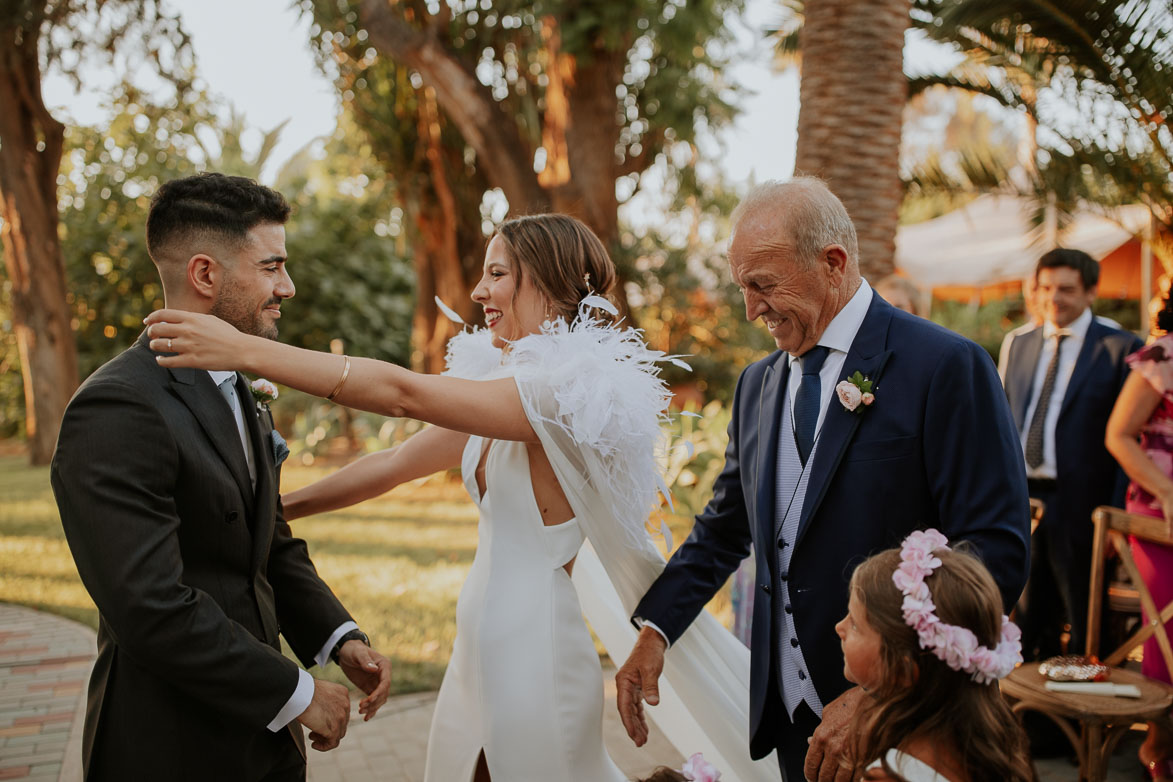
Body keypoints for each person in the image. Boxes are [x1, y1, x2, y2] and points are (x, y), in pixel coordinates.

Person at [144, 213, 780, 782]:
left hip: (536, 646)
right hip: (478, 637)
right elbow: (393, 463)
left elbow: (402, 394)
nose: (478, 293)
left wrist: (247, 351)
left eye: (497, 274)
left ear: (551, 285)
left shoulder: (564, 395)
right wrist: (274, 511)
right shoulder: (502, 385)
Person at [615, 178, 1031, 782]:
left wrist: (882, 692)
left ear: (833, 263)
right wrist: (655, 632)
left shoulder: (945, 365)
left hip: (910, 722)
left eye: (764, 284)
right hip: (789, 714)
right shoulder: (757, 385)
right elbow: (726, 529)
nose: (751, 309)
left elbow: (995, 553)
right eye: (743, 288)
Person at [50, 173, 392, 781]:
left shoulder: (239, 384)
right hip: (171, 744)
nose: (287, 286)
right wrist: (297, 691)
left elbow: (269, 542)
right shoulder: (117, 407)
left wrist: (337, 638)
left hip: (263, 737)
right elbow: (149, 606)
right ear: (205, 274)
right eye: (271, 267)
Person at [1003, 248, 1142, 662]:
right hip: (1023, 501)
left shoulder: (1120, 348)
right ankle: (1028, 719)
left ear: (1090, 291)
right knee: (1023, 620)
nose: (1053, 298)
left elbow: (1127, 442)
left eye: (1065, 289)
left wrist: (1117, 517)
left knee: (1085, 623)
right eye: (1045, 288)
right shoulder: (1021, 343)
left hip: (1084, 505)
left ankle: (1078, 718)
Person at [839, 529, 1032, 782]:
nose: (839, 627)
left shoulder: (890, 776)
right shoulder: (988, 757)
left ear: (904, 670)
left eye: (855, 624)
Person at [1105, 289, 1173, 780]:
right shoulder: (1163, 354)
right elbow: (1120, 435)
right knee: (1167, 633)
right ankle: (1159, 746)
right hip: (1158, 517)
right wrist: (1167, 492)